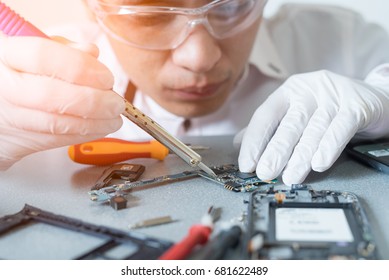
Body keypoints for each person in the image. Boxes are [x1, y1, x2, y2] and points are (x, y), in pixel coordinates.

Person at [1, 0, 389, 185]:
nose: (200, 57)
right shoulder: (31, 74)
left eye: (232, 5)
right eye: (150, 14)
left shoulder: (343, 39)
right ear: (92, 7)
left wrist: (384, 101)